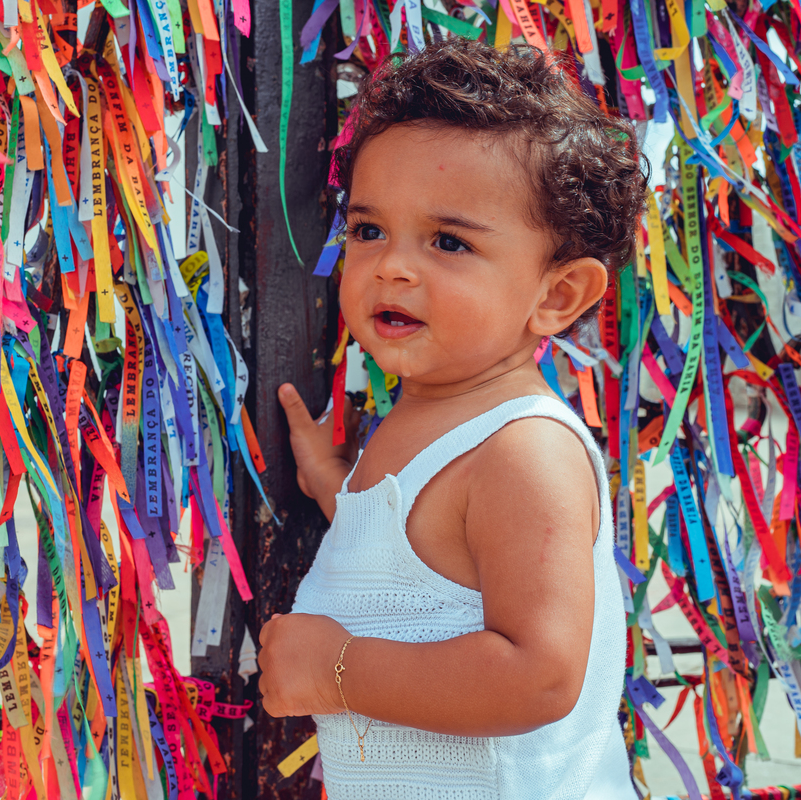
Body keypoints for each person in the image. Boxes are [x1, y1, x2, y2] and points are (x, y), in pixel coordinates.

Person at [256, 37, 649, 799]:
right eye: (369, 230)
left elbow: (538, 677)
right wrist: (339, 487)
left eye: (448, 241)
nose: (393, 266)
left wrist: (335, 671)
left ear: (558, 296)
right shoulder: (436, 420)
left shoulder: (525, 452)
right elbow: (429, 565)